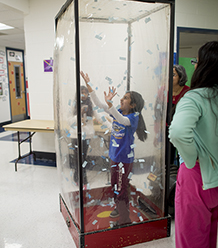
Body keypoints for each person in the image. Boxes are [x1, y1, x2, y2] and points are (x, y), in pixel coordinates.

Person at [169, 41, 218, 248]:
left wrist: (191, 158)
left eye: (197, 60)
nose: (194, 65)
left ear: (205, 65)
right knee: (214, 238)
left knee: (191, 240)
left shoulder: (194, 96)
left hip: (196, 178)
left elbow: (177, 132)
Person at [80, 71, 147, 226]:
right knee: (116, 186)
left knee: (120, 188)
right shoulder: (118, 110)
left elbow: (121, 120)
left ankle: (124, 220)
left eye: (125, 98)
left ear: (133, 104)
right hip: (114, 157)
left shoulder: (132, 117)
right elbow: (99, 104)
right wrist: (89, 85)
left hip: (123, 160)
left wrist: (110, 106)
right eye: (122, 97)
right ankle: (119, 207)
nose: (121, 99)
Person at [154, 65, 189, 165]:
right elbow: (157, 113)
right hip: (166, 128)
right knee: (166, 157)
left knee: (183, 156)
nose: (169, 77)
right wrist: (157, 132)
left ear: (181, 77)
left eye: (173, 75)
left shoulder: (188, 92)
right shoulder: (163, 91)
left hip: (182, 129)